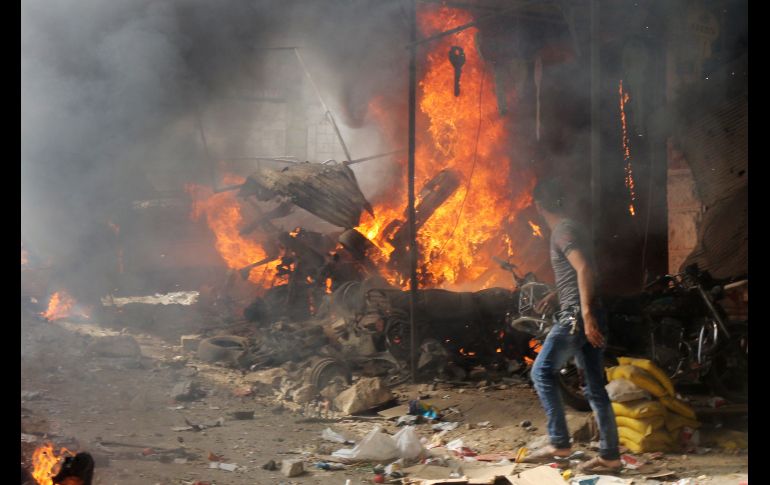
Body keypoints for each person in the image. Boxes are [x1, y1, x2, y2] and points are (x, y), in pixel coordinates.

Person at [522, 179, 621, 473]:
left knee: (541, 372)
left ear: (539, 206)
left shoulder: (562, 232)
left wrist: (585, 314)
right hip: (585, 311)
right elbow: (582, 270)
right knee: (594, 388)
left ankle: (559, 443)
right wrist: (558, 294)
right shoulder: (574, 227)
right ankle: (610, 456)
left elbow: (584, 268)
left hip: (576, 317)